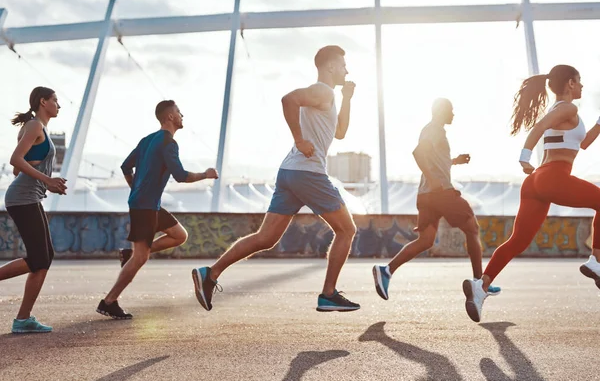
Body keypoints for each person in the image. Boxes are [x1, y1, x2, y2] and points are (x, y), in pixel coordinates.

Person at [191, 45, 360, 312]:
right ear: (330, 66)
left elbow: (339, 132)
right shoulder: (322, 90)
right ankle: (328, 294)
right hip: (308, 173)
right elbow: (288, 99)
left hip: (290, 172)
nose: (346, 69)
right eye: (343, 64)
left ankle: (210, 274)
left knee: (266, 237)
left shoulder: (328, 96)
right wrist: (299, 139)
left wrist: (348, 98)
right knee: (347, 230)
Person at [463, 65, 600, 323]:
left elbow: (582, 143)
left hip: (536, 183)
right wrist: (524, 156)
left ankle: (480, 288)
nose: (582, 87)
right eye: (579, 81)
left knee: (518, 241)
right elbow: (538, 127)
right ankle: (596, 260)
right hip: (553, 176)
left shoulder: (561, 111)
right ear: (570, 83)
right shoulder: (567, 108)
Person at [96, 100, 218, 319]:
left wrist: (135, 187)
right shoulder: (168, 142)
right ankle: (109, 301)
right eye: (179, 112)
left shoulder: (147, 140)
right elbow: (181, 176)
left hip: (147, 203)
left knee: (180, 235)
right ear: (170, 117)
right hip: (145, 206)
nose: (182, 116)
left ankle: (129, 255)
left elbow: (125, 167)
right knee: (140, 259)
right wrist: (205, 175)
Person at [372, 98, 500, 301]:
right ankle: (479, 283)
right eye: (451, 110)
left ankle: (386, 270)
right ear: (441, 111)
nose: (453, 114)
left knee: (425, 240)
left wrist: (454, 162)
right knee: (472, 229)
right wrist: (433, 180)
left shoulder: (434, 131)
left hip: (427, 195)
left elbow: (433, 159)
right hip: (440, 192)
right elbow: (418, 153)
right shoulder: (434, 129)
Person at [1, 86, 67, 333]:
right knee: (40, 258)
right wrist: (48, 180)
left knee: (44, 258)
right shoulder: (34, 126)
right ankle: (22, 319)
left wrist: (45, 178)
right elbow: (15, 160)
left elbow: (21, 168)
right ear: (43, 101)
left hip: (28, 197)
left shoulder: (39, 129)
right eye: (56, 100)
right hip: (22, 198)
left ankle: (23, 319)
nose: (59, 105)